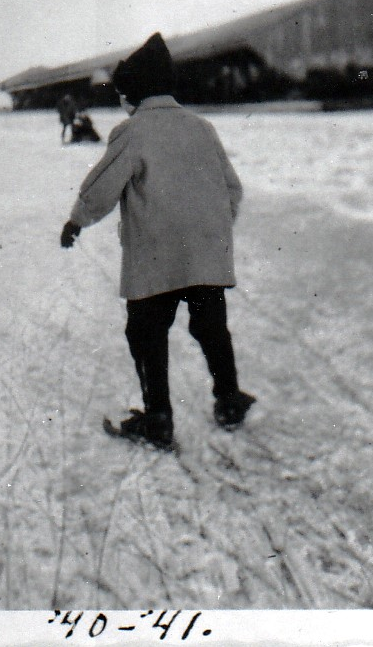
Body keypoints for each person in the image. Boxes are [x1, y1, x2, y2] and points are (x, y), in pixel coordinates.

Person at [60, 32, 255, 450]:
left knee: (146, 333)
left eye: (123, 92)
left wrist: (76, 222)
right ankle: (230, 402)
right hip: (205, 254)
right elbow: (232, 189)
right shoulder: (202, 128)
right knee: (212, 328)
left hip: (154, 257)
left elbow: (100, 189)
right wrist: (212, 230)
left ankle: (158, 420)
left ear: (136, 91)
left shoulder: (132, 131)